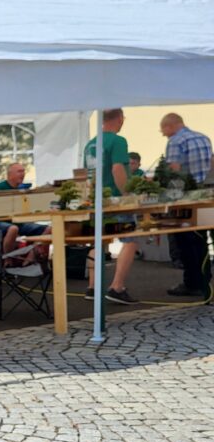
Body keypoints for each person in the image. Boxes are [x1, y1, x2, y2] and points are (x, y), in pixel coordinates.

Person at [83, 108, 137, 304]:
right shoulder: (118, 141)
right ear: (120, 119)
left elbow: (87, 174)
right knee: (130, 240)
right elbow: (117, 168)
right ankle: (117, 287)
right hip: (115, 199)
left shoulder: (90, 144)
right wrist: (127, 195)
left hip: (96, 199)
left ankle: (92, 287)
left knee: (98, 241)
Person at [160, 113, 213, 297]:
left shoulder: (175, 141)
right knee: (202, 238)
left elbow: (174, 170)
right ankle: (205, 279)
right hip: (206, 194)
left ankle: (192, 282)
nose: (164, 135)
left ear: (169, 126)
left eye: (163, 131)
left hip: (185, 196)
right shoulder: (204, 137)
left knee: (184, 239)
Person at [0, 163, 46, 260]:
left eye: (23, 171)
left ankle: (31, 257)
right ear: (10, 174)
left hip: (20, 222)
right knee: (13, 229)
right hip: (2, 222)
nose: (23, 174)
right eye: (19, 171)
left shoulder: (23, 189)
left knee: (49, 229)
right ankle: (8, 260)